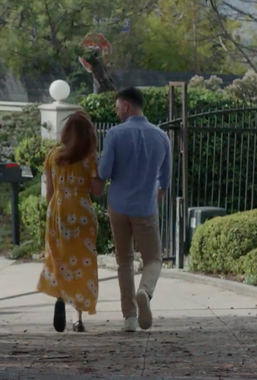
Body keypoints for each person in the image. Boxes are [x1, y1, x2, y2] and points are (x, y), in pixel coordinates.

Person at [97, 87, 171, 332]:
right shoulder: (161, 137)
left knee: (124, 261)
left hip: (118, 206)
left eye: (118, 106)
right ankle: (145, 291)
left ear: (126, 105)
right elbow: (165, 179)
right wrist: (155, 199)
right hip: (145, 208)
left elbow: (104, 171)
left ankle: (129, 317)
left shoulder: (114, 134)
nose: (117, 111)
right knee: (153, 259)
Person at [37, 111, 106, 333]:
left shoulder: (53, 156)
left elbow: (49, 192)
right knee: (82, 261)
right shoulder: (91, 157)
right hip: (82, 210)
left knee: (59, 258)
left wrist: (53, 211)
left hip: (58, 211)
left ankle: (60, 296)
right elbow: (97, 191)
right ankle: (78, 317)